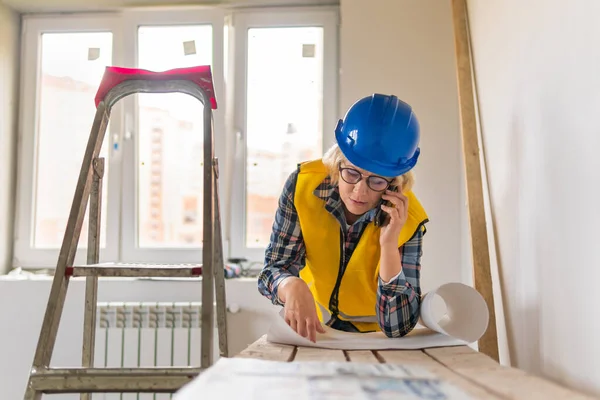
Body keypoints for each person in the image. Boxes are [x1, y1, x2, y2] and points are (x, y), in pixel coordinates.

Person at [257, 93, 429, 342]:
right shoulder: (302, 186)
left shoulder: (409, 219)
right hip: (319, 330)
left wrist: (389, 246)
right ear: (338, 160)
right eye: (351, 173)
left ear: (395, 183)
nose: (360, 191)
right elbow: (273, 269)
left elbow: (398, 327)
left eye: (377, 180)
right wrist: (290, 285)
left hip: (377, 338)